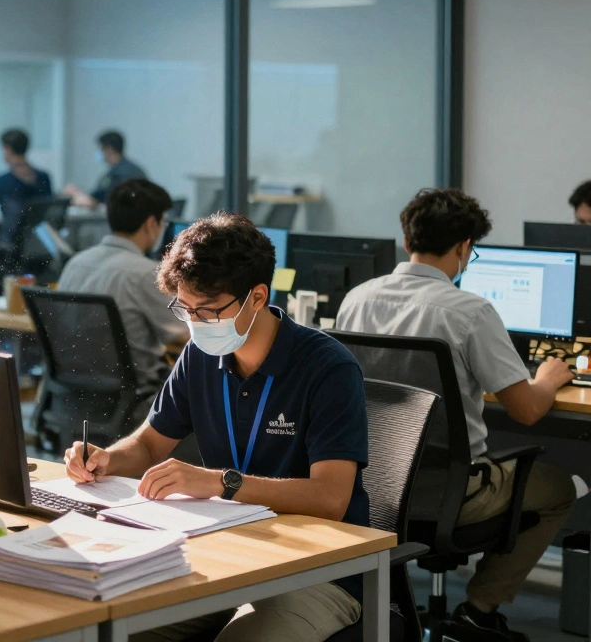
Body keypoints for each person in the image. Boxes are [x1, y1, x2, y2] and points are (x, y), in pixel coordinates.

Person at [66, 212, 369, 642]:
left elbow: (331, 498)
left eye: (209, 310)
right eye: (186, 309)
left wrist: (222, 483)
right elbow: (149, 445)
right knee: (110, 628)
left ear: (257, 297)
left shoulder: (328, 368)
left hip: (318, 569)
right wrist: (106, 459)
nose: (196, 322)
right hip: (225, 553)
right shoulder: (200, 355)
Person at [337, 188, 575, 642]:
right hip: (451, 491)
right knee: (560, 488)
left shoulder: (357, 298)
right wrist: (547, 378)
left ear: (407, 240)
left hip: (373, 485)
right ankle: (479, 611)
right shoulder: (469, 311)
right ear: (465, 247)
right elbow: (526, 410)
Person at [58, 179, 184, 387]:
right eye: (163, 222)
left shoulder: (75, 264)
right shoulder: (145, 273)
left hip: (73, 394)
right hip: (137, 396)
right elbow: (184, 335)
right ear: (151, 224)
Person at [63, 130, 148, 209]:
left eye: (101, 149)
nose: (99, 154)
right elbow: (100, 194)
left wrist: (80, 195)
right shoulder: (120, 171)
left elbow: (107, 198)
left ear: (109, 149)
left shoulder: (123, 173)